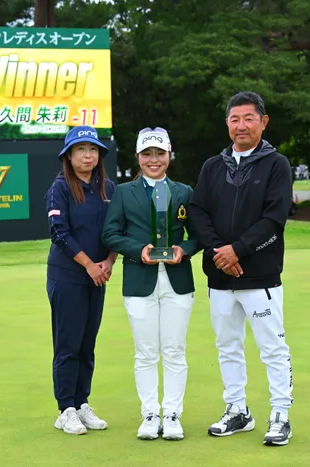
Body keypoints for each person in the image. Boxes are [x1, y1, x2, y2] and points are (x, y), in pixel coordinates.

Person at [188, 91, 294, 446]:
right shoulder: (212, 166)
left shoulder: (276, 164)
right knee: (227, 345)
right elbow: (198, 211)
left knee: (272, 347)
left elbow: (274, 218)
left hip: (260, 276)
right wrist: (220, 253)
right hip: (220, 278)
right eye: (235, 119)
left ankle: (280, 414)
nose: (241, 125)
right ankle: (237, 410)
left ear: (263, 122)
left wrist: (238, 251)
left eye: (249, 118)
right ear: (227, 124)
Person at [102, 127, 201, 441]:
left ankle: (171, 414)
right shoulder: (123, 192)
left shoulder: (184, 191)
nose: (154, 160)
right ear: (138, 157)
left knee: (174, 350)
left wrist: (183, 249)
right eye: (147, 154)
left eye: (160, 153)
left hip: (177, 281)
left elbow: (200, 235)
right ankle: (149, 414)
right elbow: (110, 234)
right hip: (139, 280)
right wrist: (137, 250)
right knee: (145, 352)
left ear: (169, 154)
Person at [44, 126, 117, 435]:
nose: (88, 155)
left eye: (93, 149)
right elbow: (59, 233)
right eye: (81, 149)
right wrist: (89, 265)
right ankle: (66, 409)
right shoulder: (60, 188)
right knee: (68, 344)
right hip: (68, 276)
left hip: (97, 276)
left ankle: (82, 402)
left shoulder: (108, 188)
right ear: (69, 156)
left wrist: (109, 262)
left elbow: (117, 229)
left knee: (87, 344)